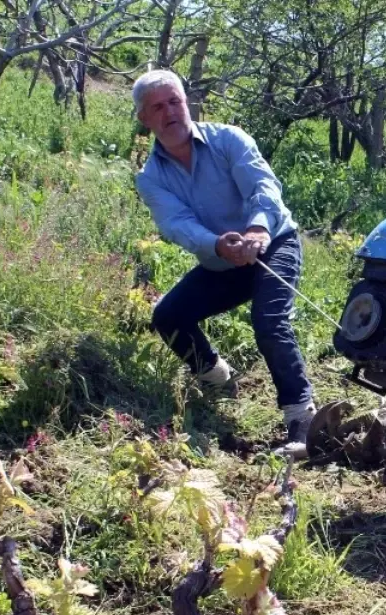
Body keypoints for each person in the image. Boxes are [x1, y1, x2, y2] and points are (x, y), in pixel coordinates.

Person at [131, 69, 315, 458]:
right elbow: (176, 224)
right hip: (222, 261)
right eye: (157, 107)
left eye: (175, 101)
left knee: (269, 322)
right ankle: (218, 377)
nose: (170, 112)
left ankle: (302, 422)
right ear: (144, 119)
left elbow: (263, 187)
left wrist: (257, 230)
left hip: (273, 244)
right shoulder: (150, 177)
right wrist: (218, 244)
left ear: (188, 103)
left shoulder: (228, 139)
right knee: (168, 316)